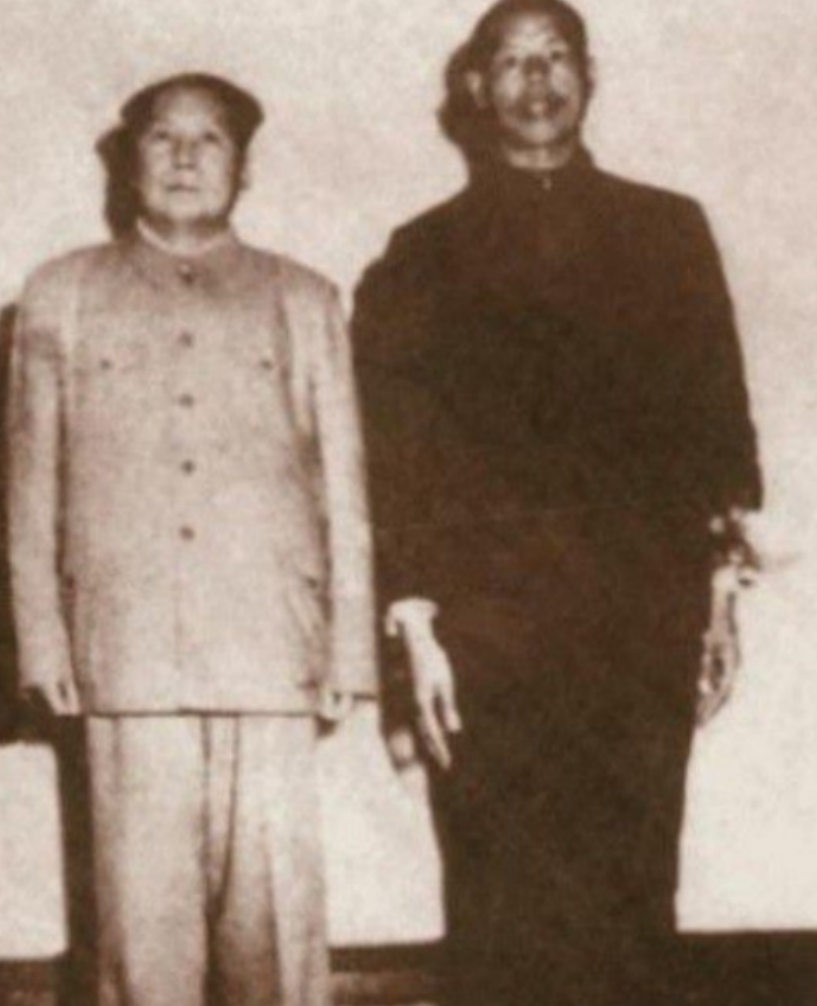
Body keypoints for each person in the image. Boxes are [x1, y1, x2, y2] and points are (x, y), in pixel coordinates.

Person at [352, 3, 762, 1005]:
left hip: (642, 613)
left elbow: (713, 419)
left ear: (588, 74)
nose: (537, 81)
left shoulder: (667, 231)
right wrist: (414, 624)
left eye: (555, 57)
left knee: (634, 883)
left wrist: (718, 596)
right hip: (488, 627)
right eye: (512, 62)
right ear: (475, 87)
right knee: (499, 895)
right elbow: (393, 452)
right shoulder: (421, 253)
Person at [7, 72, 376, 1006]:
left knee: (276, 934)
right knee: (141, 940)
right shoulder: (59, 295)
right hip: (126, 657)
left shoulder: (303, 299)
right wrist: (43, 641)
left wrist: (349, 646)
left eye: (208, 139)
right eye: (162, 137)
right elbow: (28, 486)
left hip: (271, 653)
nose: (183, 157)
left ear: (243, 167)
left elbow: (344, 487)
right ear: (128, 160)